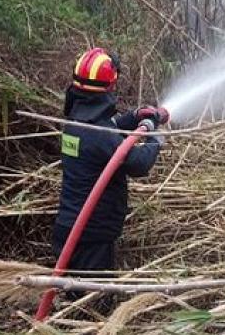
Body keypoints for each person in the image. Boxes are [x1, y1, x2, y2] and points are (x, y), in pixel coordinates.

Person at [52, 47, 166, 274]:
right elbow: (138, 163)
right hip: (92, 235)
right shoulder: (99, 134)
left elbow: (108, 131)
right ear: (110, 85)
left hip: (70, 230)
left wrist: (134, 118)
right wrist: (155, 138)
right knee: (94, 304)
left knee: (74, 299)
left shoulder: (76, 125)